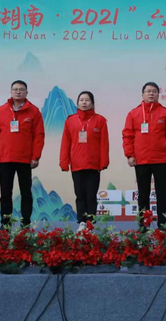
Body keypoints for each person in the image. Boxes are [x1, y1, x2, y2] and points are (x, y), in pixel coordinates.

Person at [0, 80, 45, 228]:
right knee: (5, 194)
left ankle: (25, 223)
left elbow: (39, 135)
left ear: (26, 92)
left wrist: (35, 156)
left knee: (26, 193)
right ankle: (6, 224)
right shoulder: (0, 111)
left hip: (25, 159)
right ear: (11, 92)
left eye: (21, 89)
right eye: (15, 89)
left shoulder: (34, 111)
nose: (18, 92)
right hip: (5, 158)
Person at [122, 82, 166, 228]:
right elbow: (127, 136)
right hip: (141, 160)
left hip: (161, 160)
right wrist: (130, 155)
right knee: (143, 194)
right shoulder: (133, 113)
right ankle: (144, 225)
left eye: (154, 91)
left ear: (158, 94)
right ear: (143, 94)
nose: (151, 93)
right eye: (148, 91)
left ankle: (163, 225)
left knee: (162, 194)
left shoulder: (165, 113)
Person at [60, 91, 109, 231]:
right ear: (77, 103)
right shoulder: (70, 121)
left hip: (93, 165)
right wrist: (64, 162)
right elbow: (65, 143)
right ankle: (81, 222)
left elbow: (104, 143)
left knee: (91, 195)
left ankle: (90, 222)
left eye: (87, 100)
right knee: (80, 195)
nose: (84, 102)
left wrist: (103, 162)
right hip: (77, 165)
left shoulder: (100, 120)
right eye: (81, 100)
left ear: (92, 103)